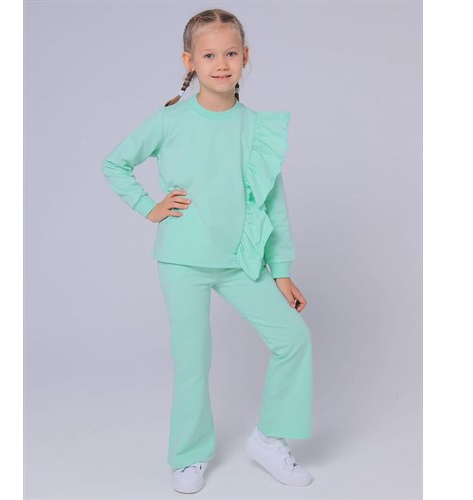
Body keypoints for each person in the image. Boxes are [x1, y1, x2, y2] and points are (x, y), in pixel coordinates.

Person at [101, 8, 314, 494]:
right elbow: (115, 163)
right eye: (210, 55)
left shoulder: (257, 128)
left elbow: (272, 203)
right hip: (183, 261)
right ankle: (190, 454)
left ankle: (269, 439)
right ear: (190, 61)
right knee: (192, 360)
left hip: (242, 261)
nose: (221, 64)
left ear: (246, 57)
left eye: (231, 53)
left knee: (293, 339)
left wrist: (281, 270)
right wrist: (148, 207)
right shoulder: (170, 120)